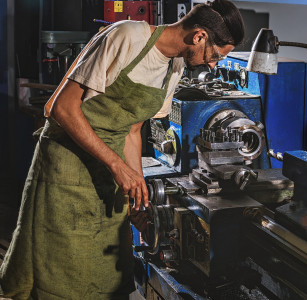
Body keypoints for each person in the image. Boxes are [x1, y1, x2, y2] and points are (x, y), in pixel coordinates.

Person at [0, 0, 245, 298]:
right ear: (199, 36)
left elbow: (131, 132)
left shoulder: (174, 67)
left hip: (108, 169)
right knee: (59, 270)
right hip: (66, 168)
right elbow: (61, 108)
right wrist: (119, 167)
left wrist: (137, 197)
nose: (213, 65)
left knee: (106, 273)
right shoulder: (127, 36)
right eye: (216, 56)